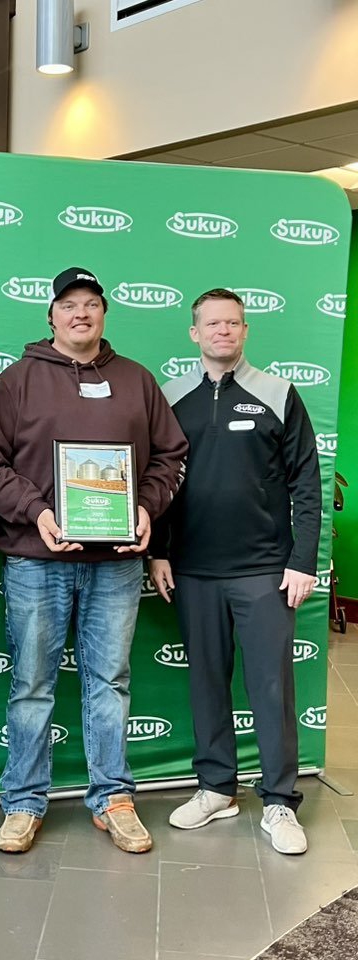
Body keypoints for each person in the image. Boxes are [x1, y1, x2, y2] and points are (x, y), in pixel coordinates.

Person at [0, 267, 187, 855]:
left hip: (116, 563)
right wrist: (37, 511)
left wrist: (145, 507)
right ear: (51, 316)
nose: (81, 314)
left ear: (103, 314)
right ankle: (22, 802)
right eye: (69, 305)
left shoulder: (138, 382)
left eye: (92, 304)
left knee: (110, 682)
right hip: (36, 560)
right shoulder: (16, 382)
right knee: (32, 684)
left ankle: (112, 797)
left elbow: (170, 457)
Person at [148, 288, 321, 855]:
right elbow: (161, 487)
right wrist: (159, 552)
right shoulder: (170, 397)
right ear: (194, 333)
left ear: (245, 332)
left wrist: (302, 562)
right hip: (193, 570)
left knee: (271, 686)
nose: (224, 330)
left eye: (234, 323)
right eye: (212, 323)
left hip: (265, 572)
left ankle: (278, 802)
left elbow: (307, 486)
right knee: (205, 684)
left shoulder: (278, 393)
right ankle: (216, 787)